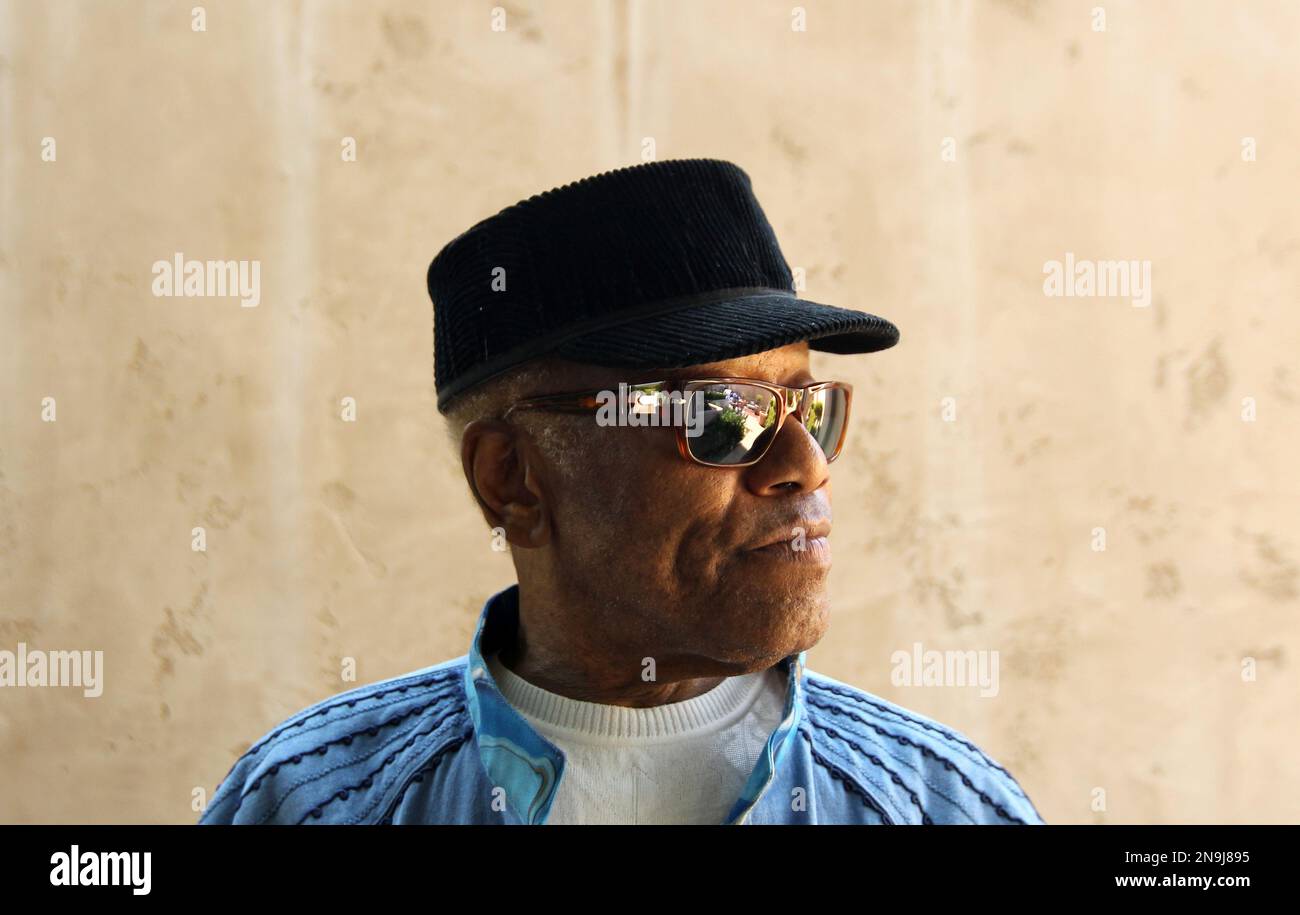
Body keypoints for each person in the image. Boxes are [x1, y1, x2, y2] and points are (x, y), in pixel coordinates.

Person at [199, 159, 1044, 825]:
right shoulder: (308, 805)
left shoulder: (950, 805)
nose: (805, 464)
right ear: (513, 479)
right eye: (721, 416)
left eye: (810, 409)